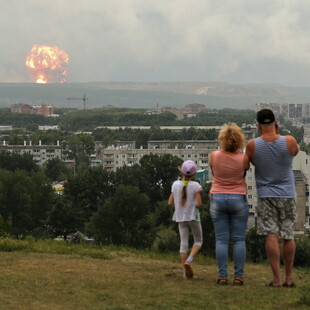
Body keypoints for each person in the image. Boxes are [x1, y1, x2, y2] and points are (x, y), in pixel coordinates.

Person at [246, 109, 299, 288]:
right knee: (288, 234)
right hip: (288, 194)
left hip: (266, 194)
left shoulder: (252, 145)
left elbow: (249, 162)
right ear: (275, 122)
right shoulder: (289, 141)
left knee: (271, 235)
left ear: (258, 125)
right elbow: (295, 152)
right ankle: (288, 278)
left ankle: (276, 279)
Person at [209, 123, 250, 285]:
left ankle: (222, 276)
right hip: (238, 199)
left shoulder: (214, 156)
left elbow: (213, 172)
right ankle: (238, 276)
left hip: (218, 198)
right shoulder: (244, 159)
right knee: (239, 240)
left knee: (221, 240)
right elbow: (243, 174)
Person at [168, 160, 203, 279]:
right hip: (193, 217)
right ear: (194, 174)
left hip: (180, 218)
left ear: (181, 172)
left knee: (183, 245)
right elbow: (199, 204)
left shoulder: (175, 184)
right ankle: (190, 259)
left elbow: (170, 202)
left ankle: (186, 273)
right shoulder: (196, 186)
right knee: (198, 241)